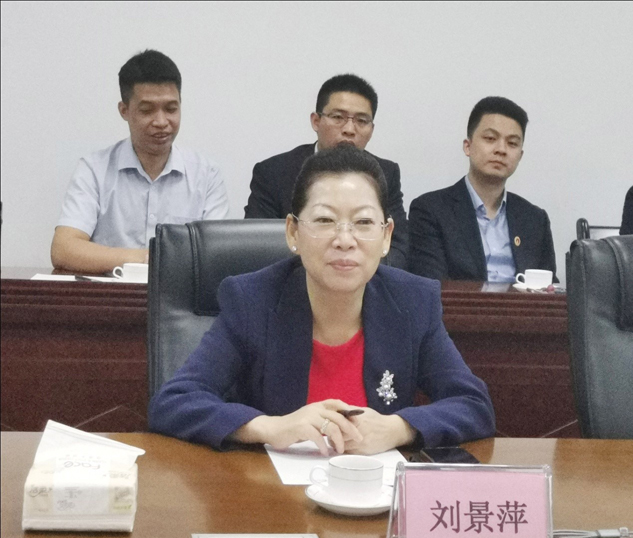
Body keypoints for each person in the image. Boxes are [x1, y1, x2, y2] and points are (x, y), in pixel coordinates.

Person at [149, 147, 494, 456]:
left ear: (387, 236)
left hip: (375, 496)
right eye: (325, 220)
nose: (345, 240)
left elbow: (473, 404)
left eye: (363, 222)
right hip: (271, 494)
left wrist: (399, 428)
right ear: (293, 232)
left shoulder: (412, 302)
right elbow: (174, 402)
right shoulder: (251, 300)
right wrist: (270, 427)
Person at [51, 49, 229, 273]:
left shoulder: (206, 174)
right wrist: (149, 259)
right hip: (111, 292)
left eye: (171, 109)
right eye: (147, 110)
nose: (161, 121)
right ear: (124, 110)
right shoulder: (94, 170)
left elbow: (214, 255)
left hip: (180, 294)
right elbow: (64, 250)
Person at [244, 74, 408, 269]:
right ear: (316, 121)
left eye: (361, 120)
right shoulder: (274, 172)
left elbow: (397, 250)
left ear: (371, 130)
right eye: (338, 117)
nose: (349, 129)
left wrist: (354, 271)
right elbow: (258, 248)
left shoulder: (386, 173)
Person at [408, 96, 557, 283]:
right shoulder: (431, 210)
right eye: (490, 139)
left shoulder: (534, 219)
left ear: (520, 156)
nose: (501, 149)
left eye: (512, 143)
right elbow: (430, 286)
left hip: (522, 303)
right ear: (468, 146)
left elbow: (548, 288)